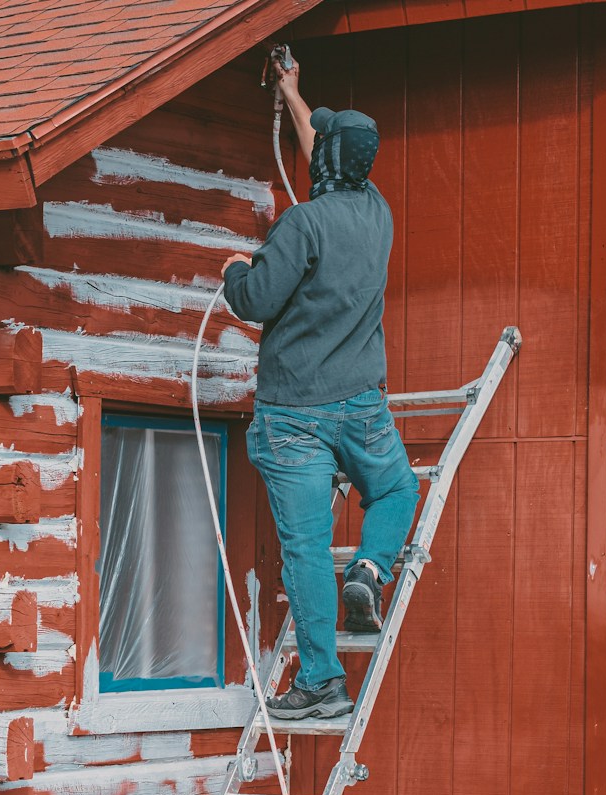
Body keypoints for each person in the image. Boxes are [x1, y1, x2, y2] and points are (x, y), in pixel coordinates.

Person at [220, 57, 419, 722]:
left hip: (293, 418)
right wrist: (293, 91)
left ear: (328, 161)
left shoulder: (302, 224)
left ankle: (323, 684)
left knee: (305, 548)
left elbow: (254, 302)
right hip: (361, 406)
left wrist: (235, 269)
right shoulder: (377, 213)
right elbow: (324, 148)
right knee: (395, 489)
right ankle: (369, 570)